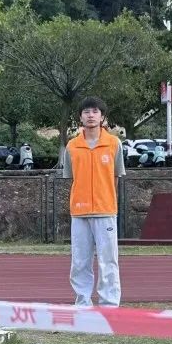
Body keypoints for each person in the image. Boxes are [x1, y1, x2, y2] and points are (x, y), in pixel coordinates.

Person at [64, 97, 125, 307]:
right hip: (79, 212)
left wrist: (106, 199)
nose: (91, 115)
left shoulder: (114, 144)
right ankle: (82, 302)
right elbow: (71, 178)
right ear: (80, 117)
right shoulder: (72, 146)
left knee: (108, 260)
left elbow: (116, 176)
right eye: (86, 112)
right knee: (80, 261)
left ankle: (110, 304)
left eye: (95, 111)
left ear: (102, 117)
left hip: (105, 210)